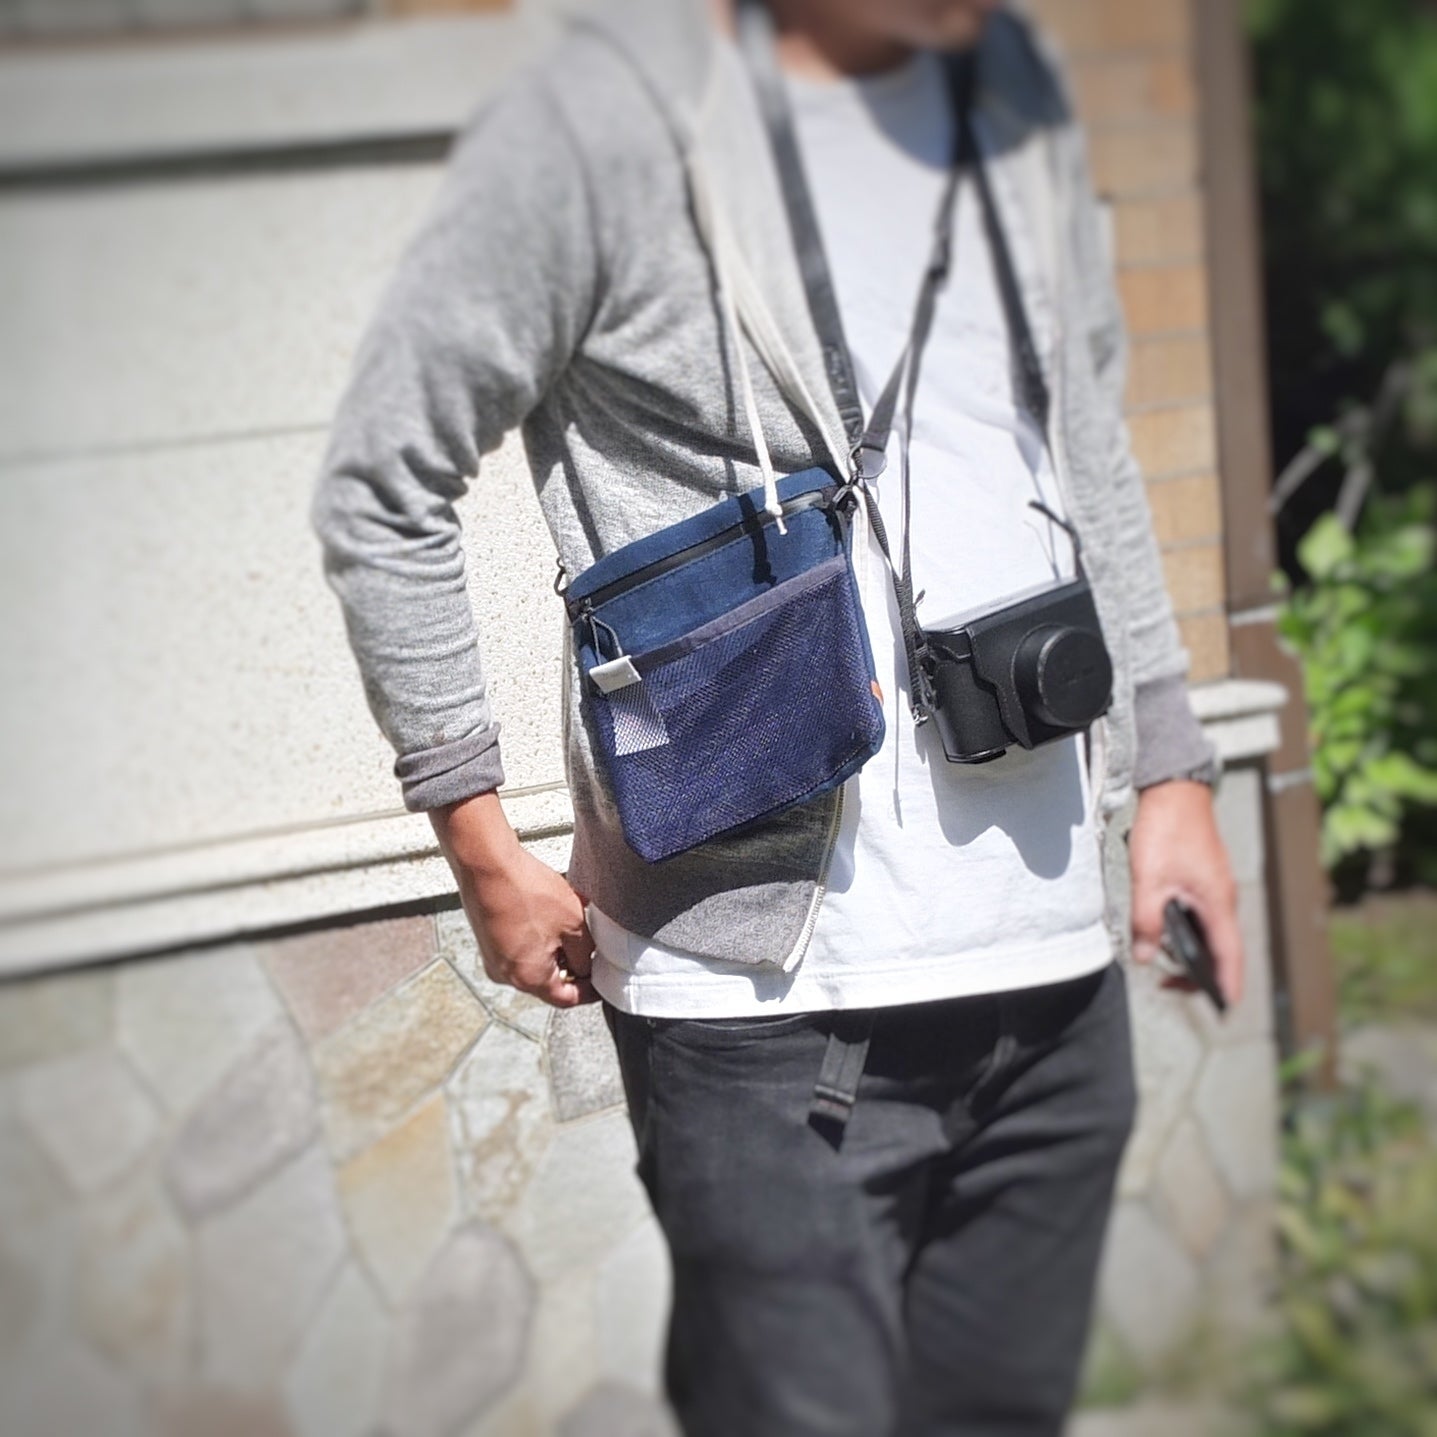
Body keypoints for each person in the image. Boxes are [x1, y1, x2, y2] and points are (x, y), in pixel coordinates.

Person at [313, 0, 1245, 1432]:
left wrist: (1171, 769)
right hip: (765, 1016)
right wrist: (479, 842)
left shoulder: (1007, 90)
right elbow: (384, 479)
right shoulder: (599, 121)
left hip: (1052, 981)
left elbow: (1086, 437)